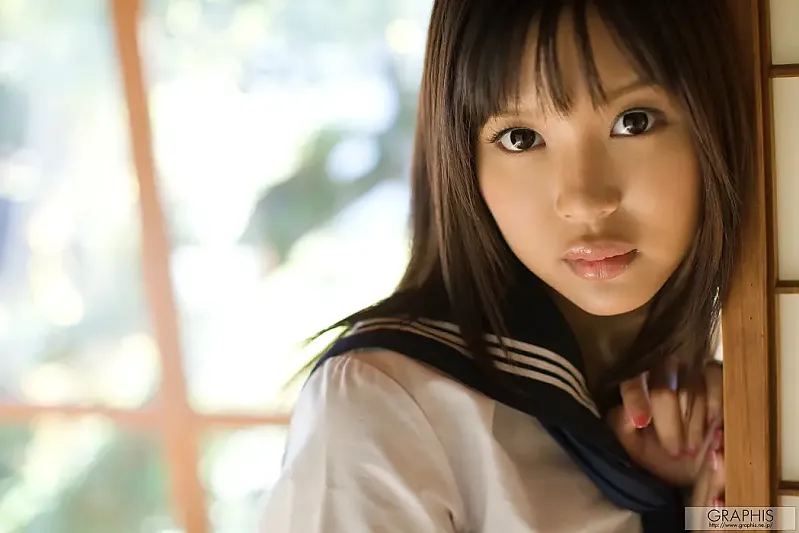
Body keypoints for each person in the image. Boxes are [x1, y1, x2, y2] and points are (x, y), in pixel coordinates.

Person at [260, 0, 751, 531]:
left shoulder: (722, 397)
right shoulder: (383, 407)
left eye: (633, 123)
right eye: (521, 138)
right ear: (464, 158)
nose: (584, 200)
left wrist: (723, 506)